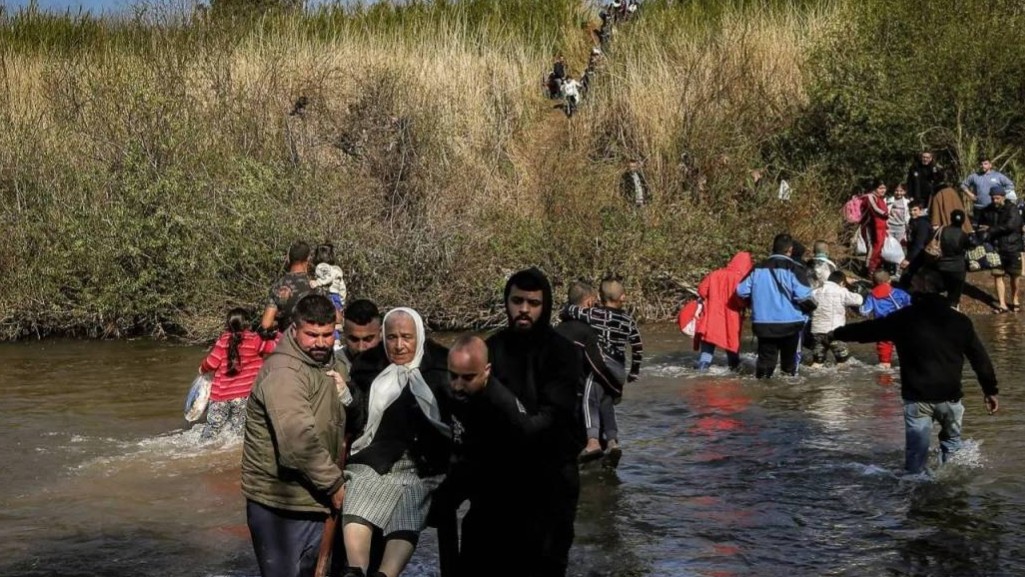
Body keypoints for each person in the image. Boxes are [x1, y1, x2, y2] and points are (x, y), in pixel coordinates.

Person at [452, 267, 583, 577]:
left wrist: (497, 397)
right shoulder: (490, 349)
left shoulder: (562, 353)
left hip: (548, 481)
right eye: (517, 301)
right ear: (507, 302)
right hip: (495, 481)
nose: (524, 309)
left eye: (533, 303)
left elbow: (551, 422)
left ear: (546, 305)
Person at [833, 267, 999, 474]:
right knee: (954, 451)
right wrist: (990, 391)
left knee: (915, 462)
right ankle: (954, 494)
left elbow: (868, 331)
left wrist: (835, 333)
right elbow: (980, 359)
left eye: (915, 283)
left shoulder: (905, 318)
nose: (910, 286)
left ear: (924, 286)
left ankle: (917, 496)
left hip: (917, 398)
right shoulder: (960, 321)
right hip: (951, 398)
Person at [340, 308, 453, 577]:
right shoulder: (368, 367)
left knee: (412, 496)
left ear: (419, 337)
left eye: (406, 337)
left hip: (425, 462)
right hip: (379, 455)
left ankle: (385, 574)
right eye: (391, 337)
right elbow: (359, 423)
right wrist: (347, 396)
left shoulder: (442, 368)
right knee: (360, 482)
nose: (399, 345)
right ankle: (355, 569)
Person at [242, 294, 349, 577]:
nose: (321, 342)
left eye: (328, 334)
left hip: (315, 496)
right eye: (312, 335)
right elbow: (297, 442)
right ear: (294, 329)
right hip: (279, 504)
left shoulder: (331, 363)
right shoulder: (284, 373)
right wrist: (336, 486)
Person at [554, 281, 623, 464]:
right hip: (583, 406)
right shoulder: (587, 332)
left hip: (558, 406)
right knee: (603, 390)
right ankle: (611, 441)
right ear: (589, 303)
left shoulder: (555, 332)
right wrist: (616, 389)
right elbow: (599, 368)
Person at [736, 233, 817, 378]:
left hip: (763, 323)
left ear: (773, 248)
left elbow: (741, 291)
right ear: (790, 250)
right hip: (790, 323)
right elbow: (803, 296)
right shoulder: (794, 268)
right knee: (788, 366)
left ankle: (764, 394)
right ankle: (784, 397)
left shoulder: (758, 268)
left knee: (765, 364)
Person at [198, 308, 273, 439]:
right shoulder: (256, 340)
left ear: (228, 325)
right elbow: (273, 349)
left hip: (220, 397)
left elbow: (211, 363)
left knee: (210, 433)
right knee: (239, 433)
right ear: (248, 324)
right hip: (244, 396)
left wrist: (201, 369)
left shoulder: (222, 341)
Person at [561, 277, 644, 389]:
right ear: (623, 297)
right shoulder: (629, 321)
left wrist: (565, 310)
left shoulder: (594, 314)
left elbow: (571, 310)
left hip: (601, 367)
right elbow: (638, 347)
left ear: (600, 297)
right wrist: (634, 371)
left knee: (591, 401)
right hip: (619, 370)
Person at [692, 251, 753, 371]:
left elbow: (702, 290)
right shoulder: (741, 280)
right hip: (731, 318)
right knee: (732, 345)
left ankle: (702, 369)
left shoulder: (715, 274)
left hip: (712, 315)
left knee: (708, 347)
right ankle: (734, 369)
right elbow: (743, 300)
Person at [977, 186, 1024, 313]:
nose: (995, 201)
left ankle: (1015, 299)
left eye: (997, 198)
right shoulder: (987, 210)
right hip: (996, 247)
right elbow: (980, 226)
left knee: (1015, 276)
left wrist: (991, 229)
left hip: (1012, 246)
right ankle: (1002, 304)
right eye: (992, 198)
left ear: (1003, 197)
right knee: (998, 275)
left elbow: (1011, 225)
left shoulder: (1012, 209)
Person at [260, 241, 316, 337]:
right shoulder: (315, 286)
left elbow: (266, 324)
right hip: (310, 342)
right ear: (308, 259)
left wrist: (278, 323)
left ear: (289, 258)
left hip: (287, 343)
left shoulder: (279, 285)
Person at [859, 270, 911, 369]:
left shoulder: (872, 295)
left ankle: (885, 376)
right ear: (889, 280)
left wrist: (861, 305)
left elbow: (864, 312)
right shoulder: (898, 293)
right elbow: (911, 304)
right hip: (901, 325)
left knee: (884, 361)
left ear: (874, 282)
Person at [809, 271, 862, 368]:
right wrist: (853, 289)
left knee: (817, 363)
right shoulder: (842, 291)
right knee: (842, 363)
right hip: (835, 332)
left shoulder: (815, 292)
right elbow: (858, 301)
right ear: (841, 283)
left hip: (817, 332)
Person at [934, 209, 973, 308]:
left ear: (951, 219)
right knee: (954, 296)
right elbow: (969, 247)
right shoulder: (963, 235)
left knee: (939, 292)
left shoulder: (942, 230)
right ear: (963, 221)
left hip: (941, 265)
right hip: (957, 267)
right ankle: (953, 312)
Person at [309, 243, 347, 333]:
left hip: (330, 295)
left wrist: (317, 282)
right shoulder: (336, 269)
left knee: (330, 318)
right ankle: (336, 339)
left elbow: (328, 278)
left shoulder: (322, 267)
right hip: (337, 296)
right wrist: (342, 300)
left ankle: (334, 338)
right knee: (336, 319)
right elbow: (342, 287)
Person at [861, 180, 889, 275]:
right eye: (880, 188)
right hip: (871, 227)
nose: (883, 190)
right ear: (874, 188)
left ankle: (874, 268)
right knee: (872, 248)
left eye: (884, 188)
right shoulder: (870, 197)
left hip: (880, 228)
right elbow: (875, 210)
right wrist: (886, 214)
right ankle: (868, 269)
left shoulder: (880, 198)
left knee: (879, 248)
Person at [900, 201, 933, 273]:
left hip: (919, 255)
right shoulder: (913, 220)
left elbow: (919, 243)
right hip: (913, 252)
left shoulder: (922, 224)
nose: (912, 212)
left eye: (915, 210)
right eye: (910, 210)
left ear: (921, 210)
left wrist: (908, 259)